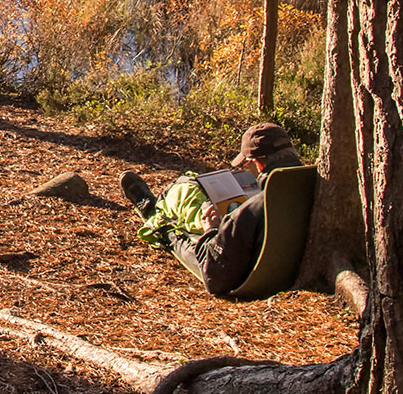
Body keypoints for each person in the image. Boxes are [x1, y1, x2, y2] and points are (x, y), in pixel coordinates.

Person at [120, 122, 305, 297]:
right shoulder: (316, 186)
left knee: (188, 236)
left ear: (259, 164)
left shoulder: (250, 211)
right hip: (283, 263)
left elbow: (215, 277)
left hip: (252, 278)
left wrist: (211, 230)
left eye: (246, 165)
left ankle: (159, 223)